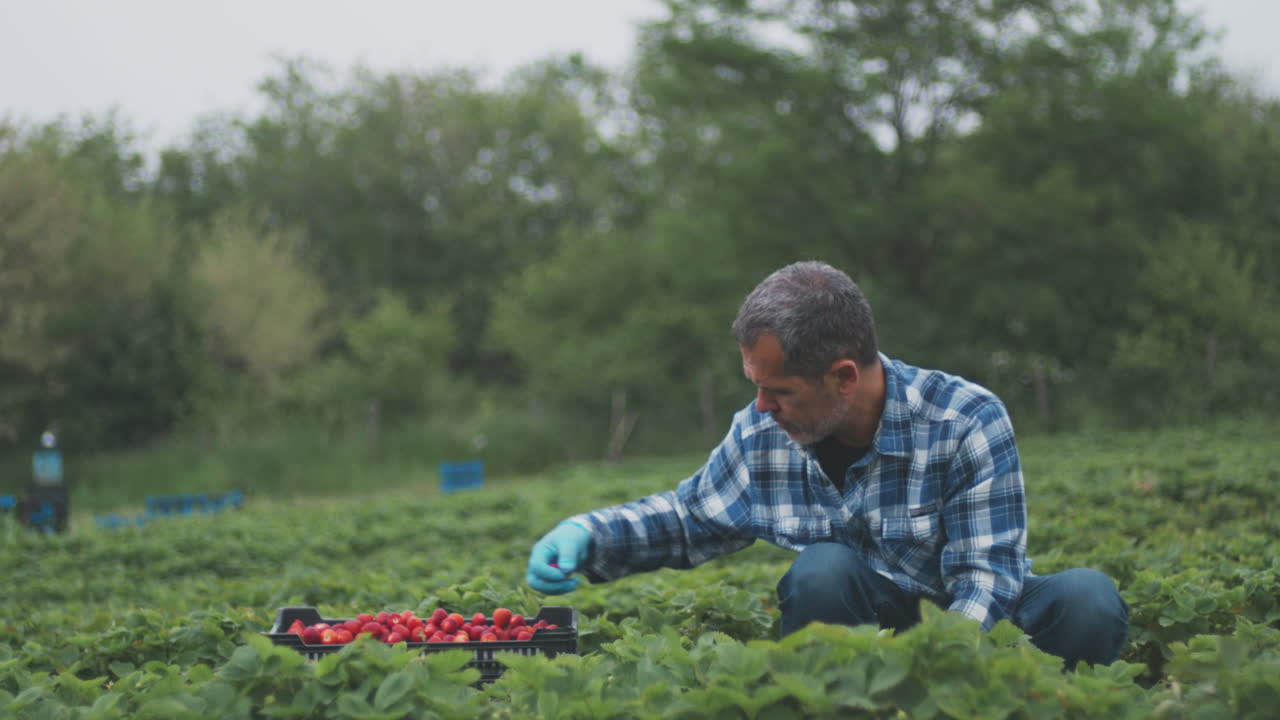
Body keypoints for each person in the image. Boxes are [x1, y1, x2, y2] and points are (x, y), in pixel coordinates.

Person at [526, 261, 1129, 667]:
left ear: (842, 376)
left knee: (1087, 600)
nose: (761, 406)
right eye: (754, 385)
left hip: (975, 631)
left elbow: (987, 578)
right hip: (864, 634)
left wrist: (937, 676)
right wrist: (591, 534)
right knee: (824, 572)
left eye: (779, 389)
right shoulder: (764, 431)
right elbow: (691, 518)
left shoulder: (964, 418)